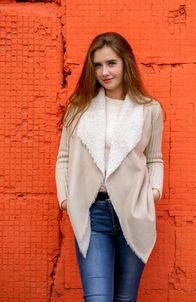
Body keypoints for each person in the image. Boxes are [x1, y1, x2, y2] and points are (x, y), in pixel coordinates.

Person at [55, 31, 165, 302]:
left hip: (133, 211)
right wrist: (67, 200)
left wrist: (152, 195)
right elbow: (64, 158)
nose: (104, 72)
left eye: (111, 63)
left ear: (126, 62)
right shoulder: (78, 108)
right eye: (97, 65)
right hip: (93, 215)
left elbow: (154, 159)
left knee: (126, 298)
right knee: (98, 298)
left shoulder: (149, 110)